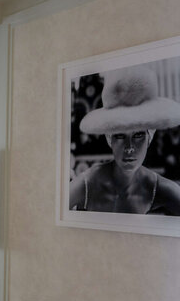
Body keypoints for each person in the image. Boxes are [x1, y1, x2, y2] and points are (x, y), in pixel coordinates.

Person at [69, 65, 180, 215]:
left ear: (149, 137)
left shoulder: (164, 190)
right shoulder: (87, 184)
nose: (129, 147)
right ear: (109, 139)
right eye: (120, 136)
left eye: (138, 135)